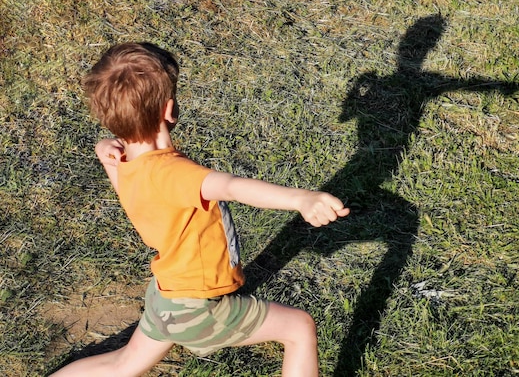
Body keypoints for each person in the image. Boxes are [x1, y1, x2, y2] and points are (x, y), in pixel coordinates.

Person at [51, 42, 349, 377]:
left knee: (123, 364)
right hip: (197, 307)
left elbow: (116, 162)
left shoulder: (125, 166)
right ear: (169, 109)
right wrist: (299, 199)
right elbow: (232, 187)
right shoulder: (173, 174)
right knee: (299, 328)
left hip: (166, 296)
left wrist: (103, 148)